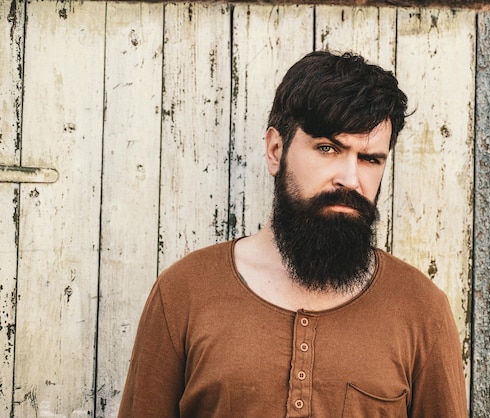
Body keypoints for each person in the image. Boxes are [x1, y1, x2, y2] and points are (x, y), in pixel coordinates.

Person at [118, 50, 467, 417]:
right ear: (275, 150)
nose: (350, 179)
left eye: (370, 159)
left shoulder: (421, 309)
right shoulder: (184, 293)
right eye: (328, 148)